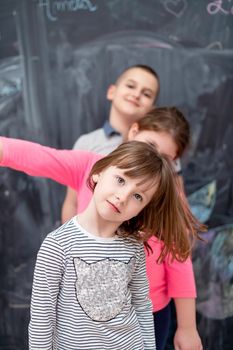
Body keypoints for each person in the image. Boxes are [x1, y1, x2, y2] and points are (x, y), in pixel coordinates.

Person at [0, 107, 203, 350]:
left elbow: (179, 257)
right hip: (80, 321)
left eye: (166, 159)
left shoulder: (160, 195)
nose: (153, 159)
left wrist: (187, 326)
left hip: (150, 310)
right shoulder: (91, 165)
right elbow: (40, 156)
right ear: (134, 130)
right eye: (150, 145)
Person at [61, 64, 160, 223]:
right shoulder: (87, 143)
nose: (136, 94)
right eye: (130, 86)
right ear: (112, 92)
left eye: (146, 94)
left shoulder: (154, 150)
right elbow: (72, 202)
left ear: (152, 109)